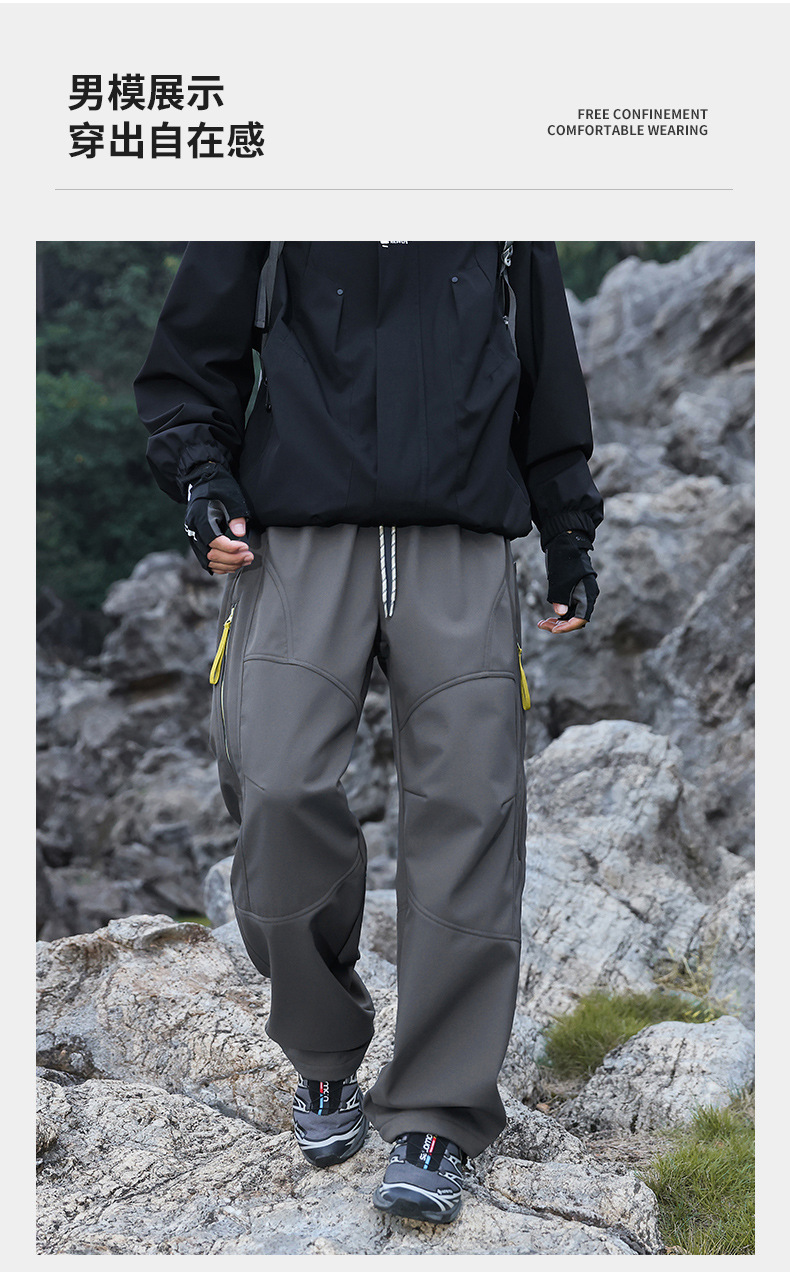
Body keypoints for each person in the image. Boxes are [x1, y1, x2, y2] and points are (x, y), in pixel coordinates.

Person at [135, 241, 602, 1225]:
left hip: (461, 541)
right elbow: (191, 358)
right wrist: (203, 480)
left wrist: (567, 529)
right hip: (299, 535)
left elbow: (544, 364)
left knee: (471, 811)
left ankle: (437, 1110)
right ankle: (322, 1046)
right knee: (276, 786)